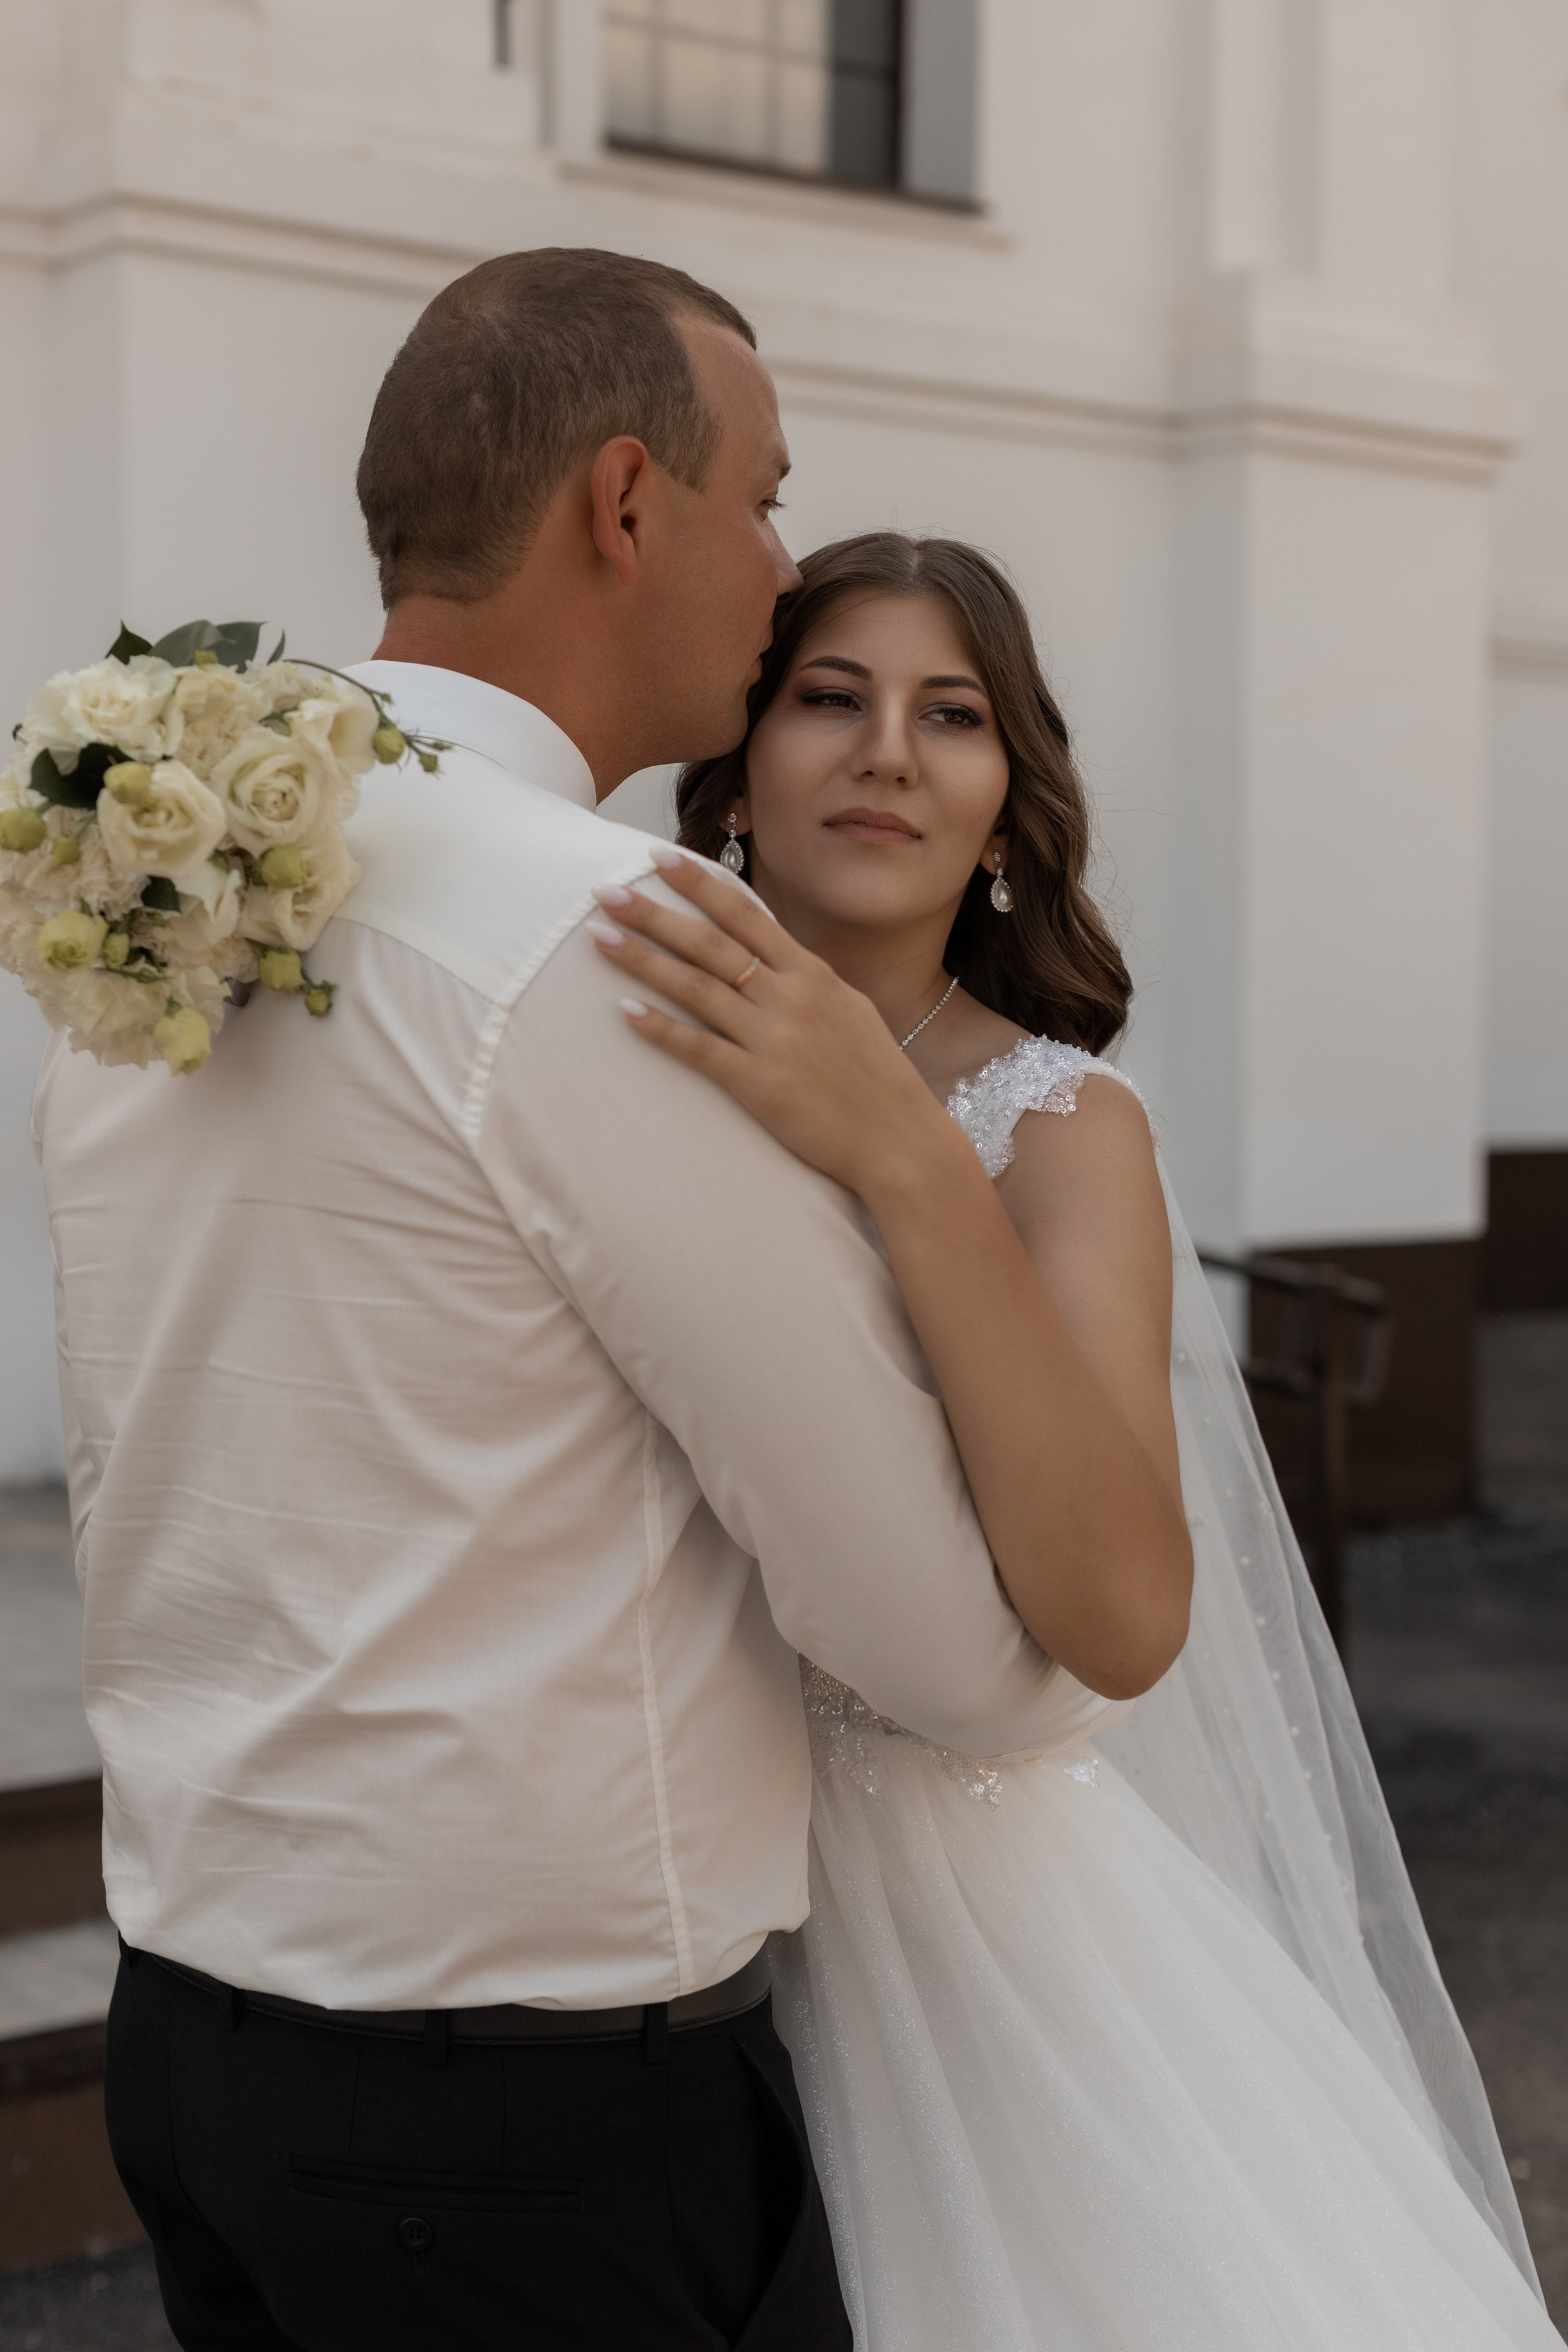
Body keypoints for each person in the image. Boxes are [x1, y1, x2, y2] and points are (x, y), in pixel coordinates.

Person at [32, 257, 1177, 2350]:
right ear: (628, 504)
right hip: (513, 2148)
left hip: (198, 2051)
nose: (777, 571)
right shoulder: (613, 948)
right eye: (764, 503)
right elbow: (956, 1648)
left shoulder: (153, 867)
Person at [585, 529, 1567, 2350]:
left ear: (1009, 810)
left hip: (945, 1921)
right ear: (734, 774)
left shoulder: (1057, 1128)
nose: (888, 751)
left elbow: (1120, 1615)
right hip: (630, 1887)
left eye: (949, 717)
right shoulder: (598, 1047)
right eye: (830, 697)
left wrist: (894, 1145)